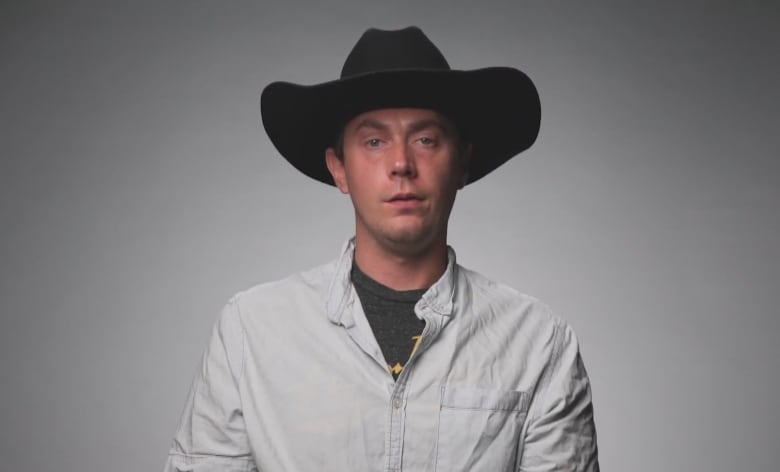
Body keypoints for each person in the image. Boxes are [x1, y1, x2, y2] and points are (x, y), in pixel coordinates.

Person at [164, 26, 599, 472]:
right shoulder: (250, 333)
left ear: (462, 163)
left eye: (426, 139)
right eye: (374, 141)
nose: (400, 164)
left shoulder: (538, 343)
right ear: (339, 168)